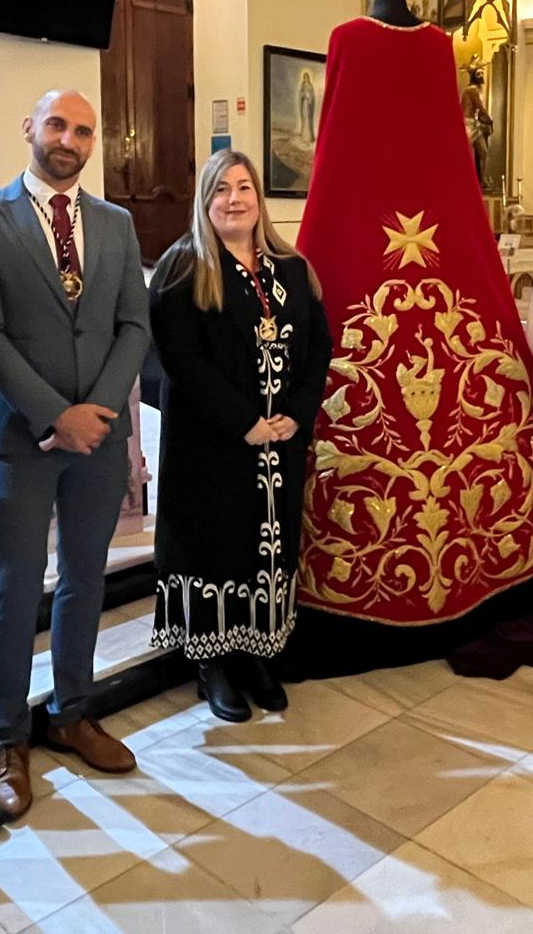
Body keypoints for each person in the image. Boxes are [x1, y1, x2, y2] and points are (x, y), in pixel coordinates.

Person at [290, 11, 533, 681]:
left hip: (358, 250)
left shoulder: (356, 39)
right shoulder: (432, 46)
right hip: (436, 245)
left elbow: (336, 161)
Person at [0, 90, 150, 820]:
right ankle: (8, 738)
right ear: (30, 128)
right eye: (57, 125)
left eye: (83, 130)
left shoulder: (116, 223)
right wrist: (54, 415)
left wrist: (95, 414)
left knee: (85, 578)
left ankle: (72, 712)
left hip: (99, 437)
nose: (69, 139)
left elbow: (134, 325)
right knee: (15, 586)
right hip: (19, 437)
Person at [149, 150, 332, 720]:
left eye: (244, 187)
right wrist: (245, 423)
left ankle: (257, 654)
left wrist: (296, 414)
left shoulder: (291, 268)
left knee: (265, 548)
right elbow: (182, 361)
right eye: (221, 189)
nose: (234, 199)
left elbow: (320, 345)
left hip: (281, 444)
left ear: (259, 198)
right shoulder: (183, 268)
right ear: (205, 201)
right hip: (213, 445)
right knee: (215, 547)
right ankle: (213, 664)